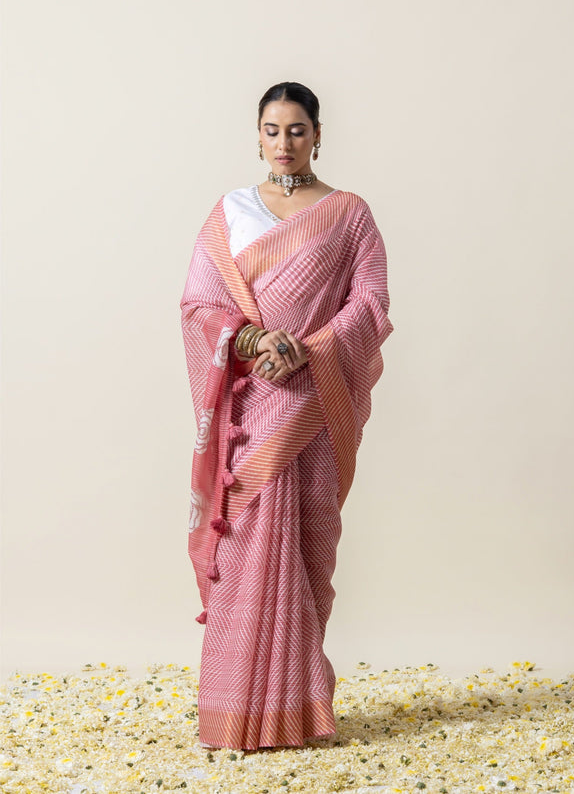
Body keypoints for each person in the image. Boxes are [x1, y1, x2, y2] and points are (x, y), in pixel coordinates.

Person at [179, 81, 394, 752]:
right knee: (244, 546)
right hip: (251, 406)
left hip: (312, 403)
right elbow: (198, 305)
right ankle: (234, 712)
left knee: (307, 549)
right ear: (257, 135)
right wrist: (251, 340)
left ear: (318, 135)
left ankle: (296, 712)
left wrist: (310, 349)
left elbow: (371, 302)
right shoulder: (231, 212)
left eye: (297, 130)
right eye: (272, 130)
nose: (284, 143)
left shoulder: (348, 213)